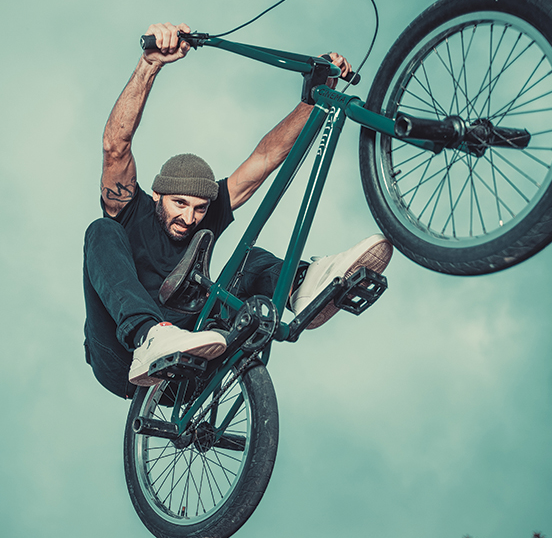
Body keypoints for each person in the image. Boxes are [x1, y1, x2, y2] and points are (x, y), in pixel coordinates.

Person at [83, 22, 392, 398]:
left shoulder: (206, 216)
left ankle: (304, 285)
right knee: (100, 231)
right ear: (157, 195)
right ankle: (150, 335)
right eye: (179, 204)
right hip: (121, 356)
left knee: (252, 260)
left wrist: (313, 101)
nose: (189, 218)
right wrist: (148, 66)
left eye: (198, 208)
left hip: (190, 352)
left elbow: (264, 159)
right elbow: (116, 145)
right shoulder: (131, 209)